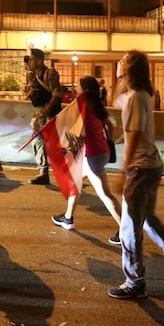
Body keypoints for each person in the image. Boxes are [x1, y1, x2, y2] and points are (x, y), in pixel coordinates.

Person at [108, 50, 164, 300]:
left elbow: (133, 135)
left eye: (122, 62)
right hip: (152, 165)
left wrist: (124, 171)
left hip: (141, 167)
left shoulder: (136, 98)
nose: (118, 64)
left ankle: (135, 281)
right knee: (146, 218)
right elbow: (115, 102)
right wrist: (119, 77)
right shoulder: (142, 95)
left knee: (129, 228)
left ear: (131, 70)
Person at [51, 76, 122, 242]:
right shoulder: (97, 105)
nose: (75, 89)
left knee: (105, 195)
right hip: (100, 151)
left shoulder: (83, 107)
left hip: (92, 155)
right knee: (74, 182)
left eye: (78, 87)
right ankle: (68, 217)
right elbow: (109, 126)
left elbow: (78, 130)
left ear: (85, 90)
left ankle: (126, 231)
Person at [25, 48, 62, 185]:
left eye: (32, 59)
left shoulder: (50, 73)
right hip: (39, 113)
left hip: (50, 112)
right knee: (38, 141)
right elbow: (32, 93)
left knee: (55, 143)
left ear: (40, 60)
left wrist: (48, 109)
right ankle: (43, 171)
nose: (30, 61)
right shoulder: (31, 75)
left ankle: (70, 171)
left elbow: (56, 93)